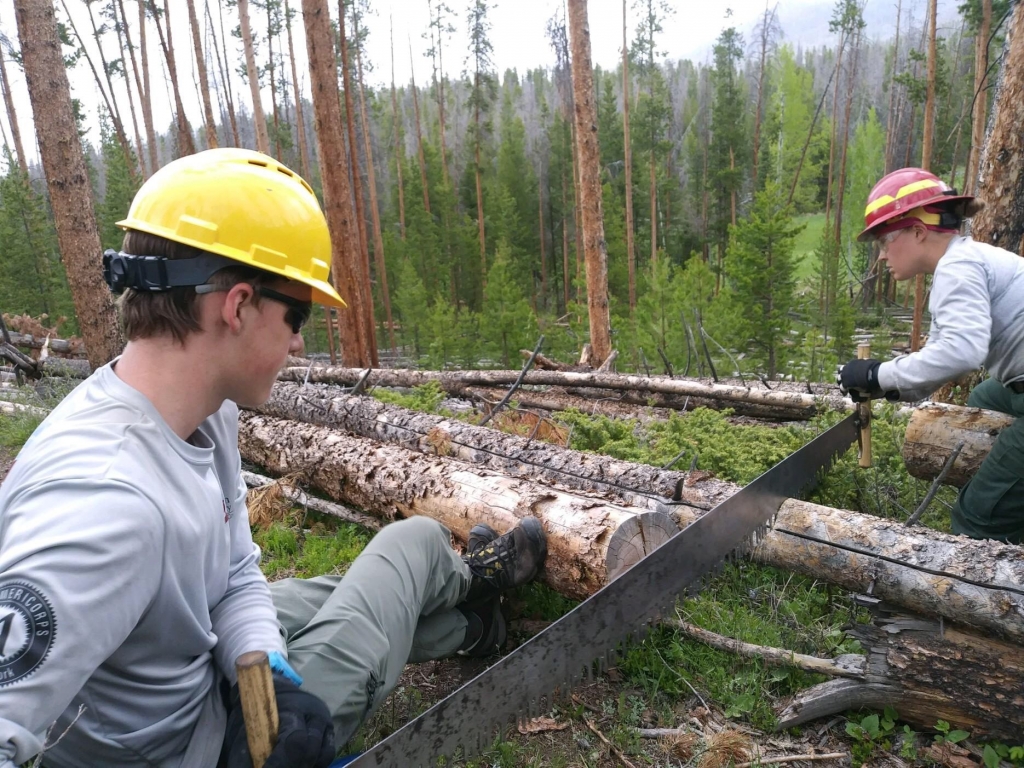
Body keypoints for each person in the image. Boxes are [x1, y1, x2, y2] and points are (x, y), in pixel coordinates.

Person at [0, 148, 548, 768]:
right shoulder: (102, 505)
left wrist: (267, 681)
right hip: (202, 744)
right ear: (236, 306)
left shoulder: (201, 412)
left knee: (336, 597)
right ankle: (475, 590)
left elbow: (235, 575)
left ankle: (475, 624)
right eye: (297, 315)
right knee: (416, 544)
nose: (296, 341)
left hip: (198, 664)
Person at [839, 167, 1024, 544]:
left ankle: (994, 532)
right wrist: (881, 385)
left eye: (885, 242)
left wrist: (876, 375)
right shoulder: (964, 261)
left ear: (918, 231)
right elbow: (942, 354)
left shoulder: (958, 268)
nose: (881, 257)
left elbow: (961, 352)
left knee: (976, 520)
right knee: (984, 400)